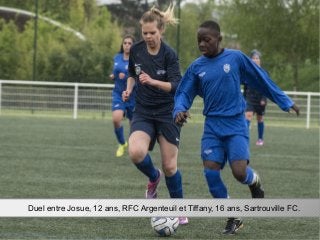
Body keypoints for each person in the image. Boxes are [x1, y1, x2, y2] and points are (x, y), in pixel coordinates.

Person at [173, 20, 299, 234]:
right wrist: (179, 110)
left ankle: (254, 181)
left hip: (235, 124)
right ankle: (233, 216)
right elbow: (184, 92)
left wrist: (284, 100)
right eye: (199, 41)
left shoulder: (236, 58)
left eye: (207, 40)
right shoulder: (196, 67)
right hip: (212, 126)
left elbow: (261, 79)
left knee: (239, 172)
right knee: (211, 174)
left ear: (219, 39)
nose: (202, 44)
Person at [122, 4, 188, 225]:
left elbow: (177, 86)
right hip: (143, 110)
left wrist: (152, 81)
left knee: (170, 165)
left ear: (161, 31)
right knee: (135, 152)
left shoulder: (169, 54)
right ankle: (153, 177)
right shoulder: (137, 50)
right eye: (145, 33)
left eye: (152, 33)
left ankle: (178, 208)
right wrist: (129, 89)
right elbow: (132, 73)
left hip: (167, 112)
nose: (148, 36)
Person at [110, 35, 135, 157]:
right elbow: (114, 73)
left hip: (133, 95)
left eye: (129, 43)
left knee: (133, 124)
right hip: (118, 94)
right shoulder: (117, 57)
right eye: (125, 43)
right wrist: (113, 76)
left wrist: (125, 77)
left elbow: (137, 76)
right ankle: (122, 143)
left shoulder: (136, 60)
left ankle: (133, 147)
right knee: (116, 118)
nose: (127, 45)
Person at [243, 50, 267, 146]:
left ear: (260, 60)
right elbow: (245, 87)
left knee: (259, 118)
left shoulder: (264, 73)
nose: (255, 60)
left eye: (257, 58)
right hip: (250, 98)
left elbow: (267, 87)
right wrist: (243, 99)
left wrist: (264, 99)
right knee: (248, 115)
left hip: (260, 98)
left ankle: (260, 139)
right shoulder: (247, 72)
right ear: (250, 60)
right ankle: (244, 138)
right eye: (253, 58)